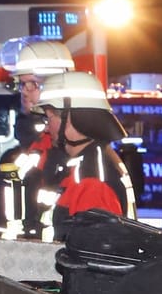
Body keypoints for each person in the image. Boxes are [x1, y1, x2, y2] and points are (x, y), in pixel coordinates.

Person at [0, 39, 73, 239]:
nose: (24, 91)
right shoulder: (31, 148)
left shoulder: (66, 148)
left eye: (34, 84)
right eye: (21, 84)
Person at [37, 71, 135, 232]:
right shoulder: (86, 166)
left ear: (69, 118)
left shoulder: (91, 183)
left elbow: (92, 253)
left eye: (49, 118)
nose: (47, 128)